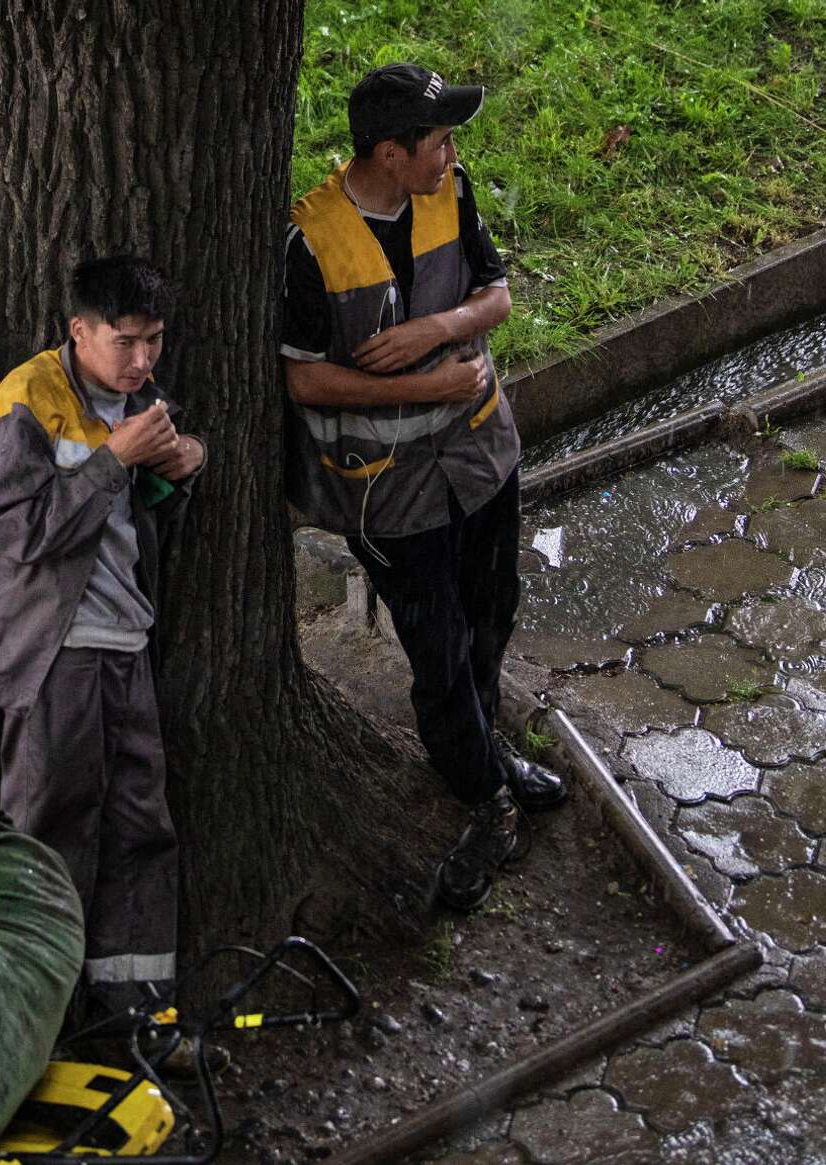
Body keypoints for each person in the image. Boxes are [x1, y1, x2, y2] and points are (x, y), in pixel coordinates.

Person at [280, 64, 566, 913]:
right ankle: (484, 793)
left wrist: (435, 332)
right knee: (437, 648)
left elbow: (497, 297)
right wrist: (423, 384)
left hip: (482, 456)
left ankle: (486, 749)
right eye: (437, 140)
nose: (451, 153)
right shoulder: (310, 243)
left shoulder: (451, 191)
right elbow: (303, 383)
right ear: (391, 152)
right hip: (390, 492)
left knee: (493, 608)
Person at [0, 256, 205, 1014]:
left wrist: (179, 469)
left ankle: (136, 1004)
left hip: (126, 640)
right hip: (52, 652)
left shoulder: (142, 398)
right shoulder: (23, 402)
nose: (143, 359)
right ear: (78, 332)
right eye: (125, 341)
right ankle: (32, 1007)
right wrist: (116, 460)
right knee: (50, 821)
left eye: (154, 340)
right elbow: (24, 534)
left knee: (141, 821)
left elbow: (134, 520)